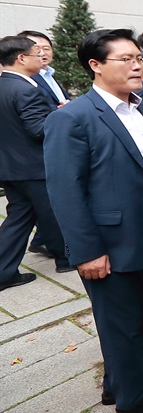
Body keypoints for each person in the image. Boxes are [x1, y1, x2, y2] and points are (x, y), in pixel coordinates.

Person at [44, 28, 143, 413]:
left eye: (138, 59)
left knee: (139, 318)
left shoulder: (137, 108)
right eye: (124, 59)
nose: (136, 66)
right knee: (121, 324)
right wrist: (87, 251)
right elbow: (65, 192)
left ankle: (124, 381)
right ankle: (132, 399)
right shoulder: (72, 118)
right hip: (108, 245)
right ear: (95, 66)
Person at [0, 35, 69, 290]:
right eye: (35, 53)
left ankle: (3, 271)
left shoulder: (5, 85)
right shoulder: (26, 89)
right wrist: (60, 116)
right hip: (33, 167)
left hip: (10, 166)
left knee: (19, 218)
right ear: (20, 58)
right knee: (53, 213)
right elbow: (39, 129)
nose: (41, 57)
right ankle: (66, 258)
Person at [19, 30, 69, 109]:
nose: (42, 53)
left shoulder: (49, 74)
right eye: (37, 49)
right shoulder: (25, 77)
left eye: (46, 49)